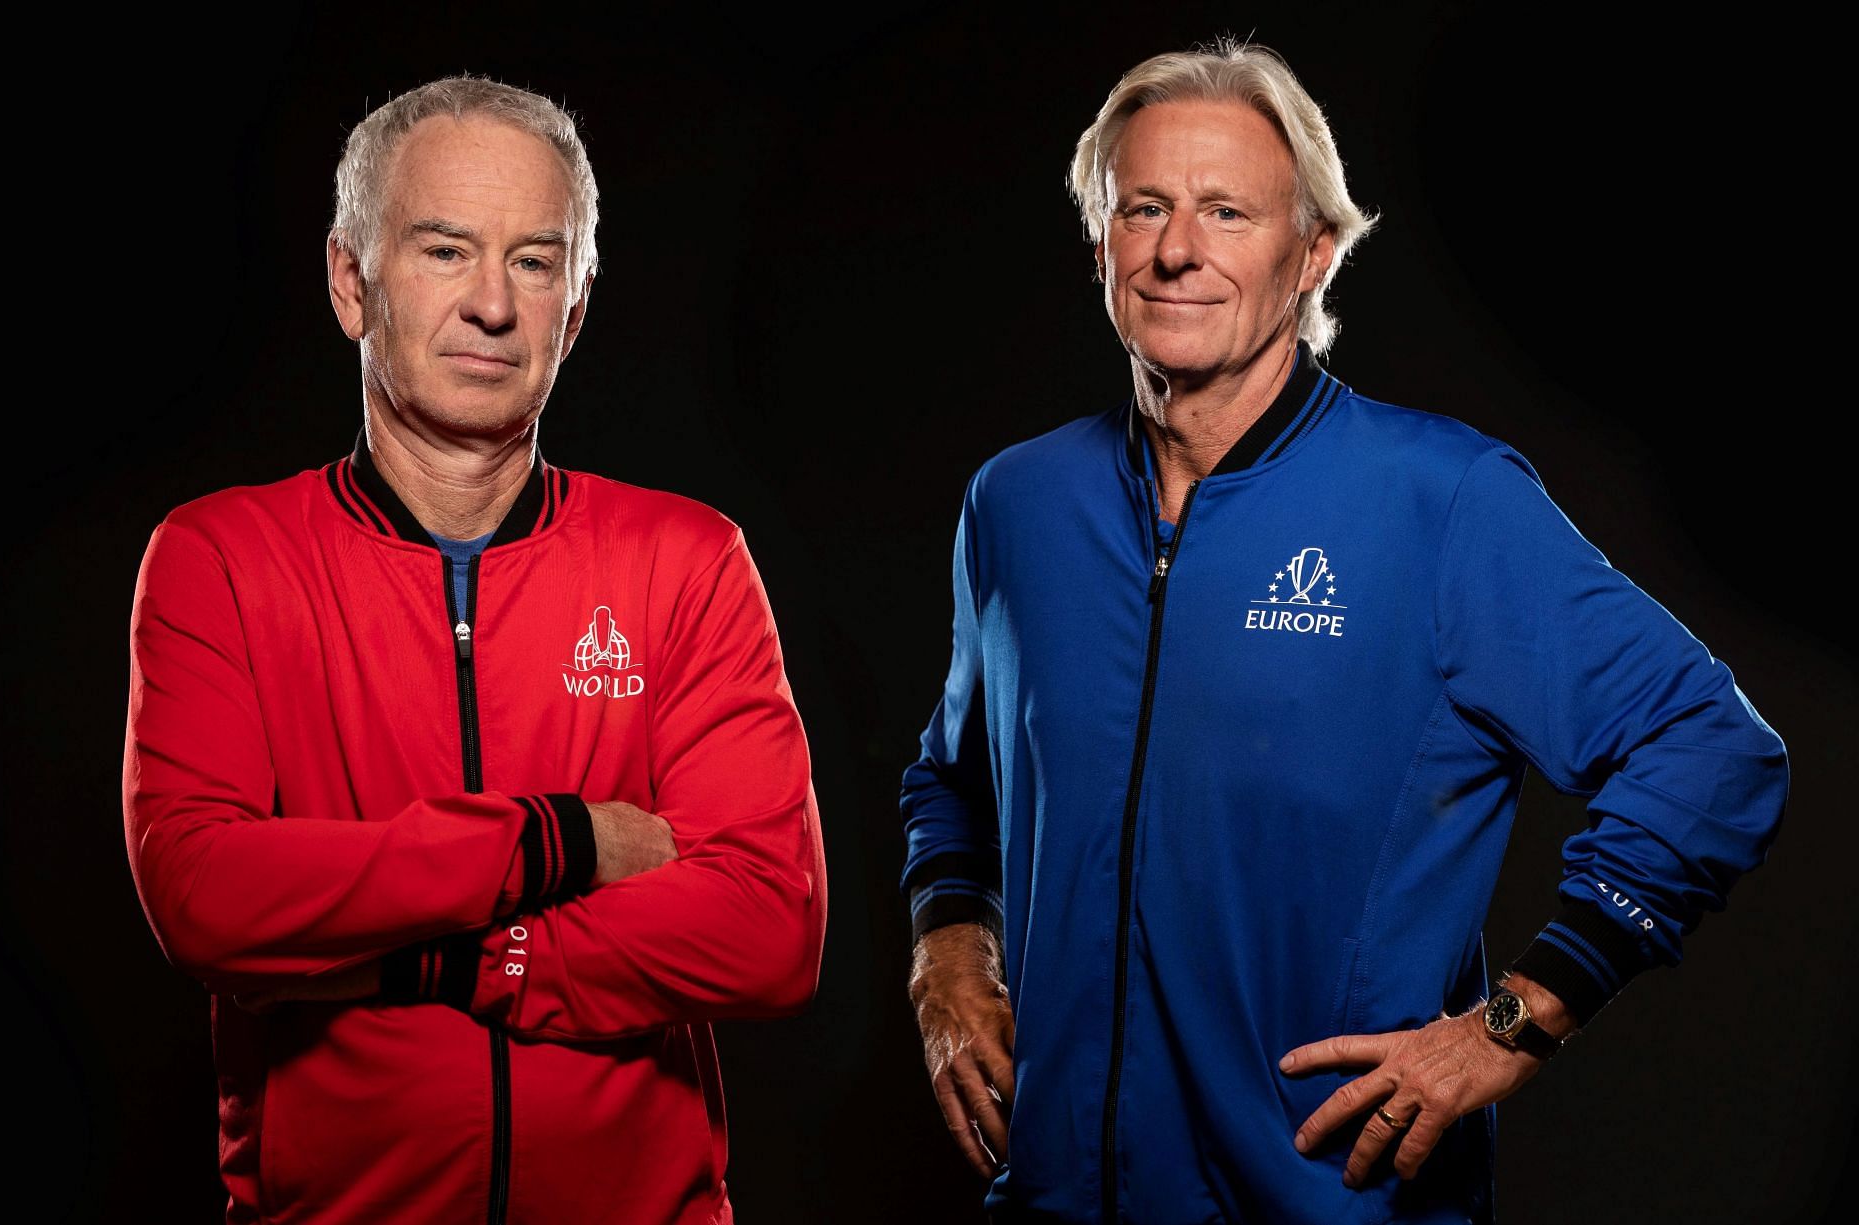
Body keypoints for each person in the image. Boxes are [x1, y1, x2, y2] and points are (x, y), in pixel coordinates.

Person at [900, 40, 1786, 1225]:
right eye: (1144, 207)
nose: (1177, 249)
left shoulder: (1442, 502)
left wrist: (1519, 1019)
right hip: (1056, 1196)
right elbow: (955, 770)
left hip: (1328, 1201)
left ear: (1314, 250)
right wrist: (947, 956)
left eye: (1226, 211)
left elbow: (1713, 748)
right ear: (1098, 237)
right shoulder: (1017, 504)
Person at [123, 76, 826, 1225]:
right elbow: (206, 893)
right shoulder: (222, 558)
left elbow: (768, 927)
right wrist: (563, 839)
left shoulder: (687, 559)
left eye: (536, 261)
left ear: (578, 304)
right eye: (446, 251)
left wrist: (462, 963)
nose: (493, 304)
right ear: (354, 282)